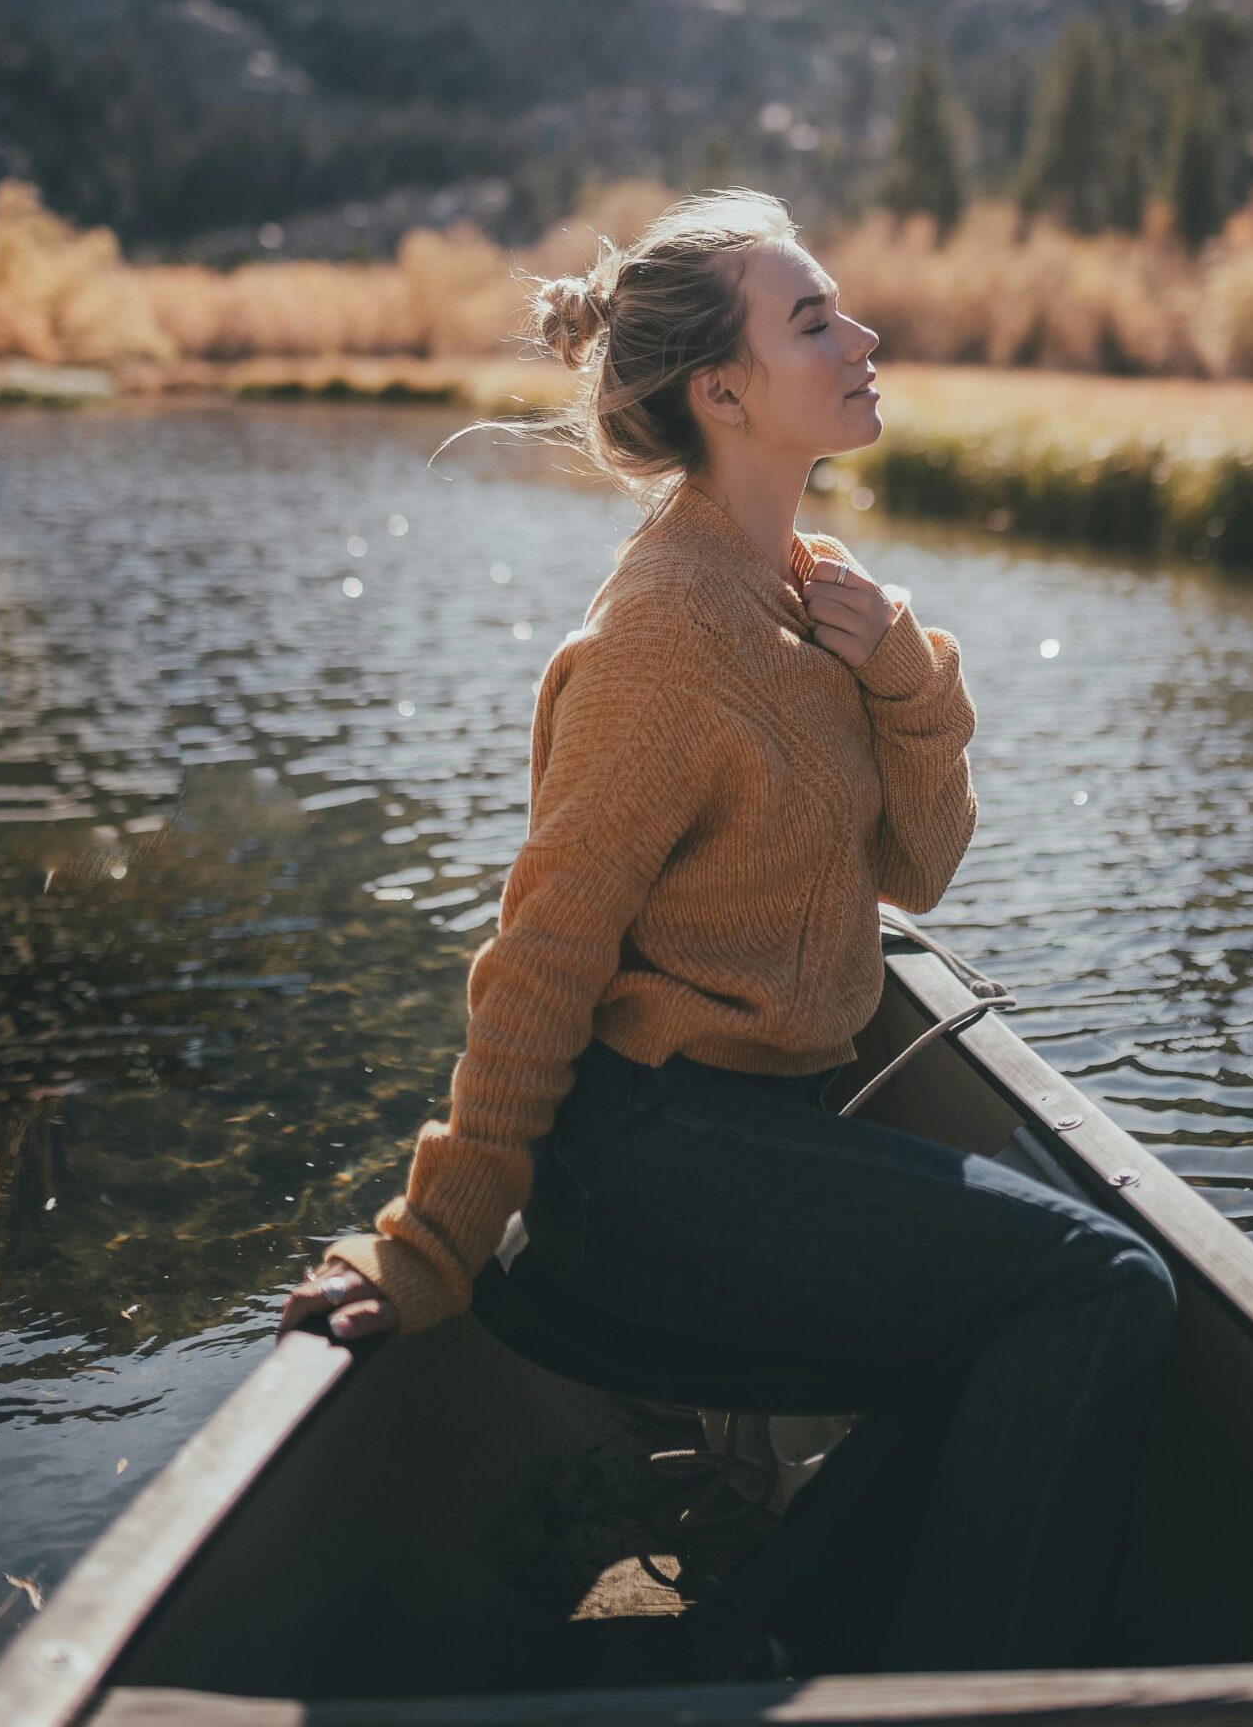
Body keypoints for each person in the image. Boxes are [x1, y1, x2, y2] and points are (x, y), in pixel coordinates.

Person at [280, 186, 1177, 1677]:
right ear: (726, 390)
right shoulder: (657, 640)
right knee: (1100, 1285)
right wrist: (435, 1235)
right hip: (651, 1167)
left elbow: (921, 866)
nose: (865, 334)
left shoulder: (806, 596)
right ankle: (972, 1694)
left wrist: (904, 674)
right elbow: (540, 959)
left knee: (1034, 1304)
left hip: (766, 1142)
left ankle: (754, 1647)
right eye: (815, 319)